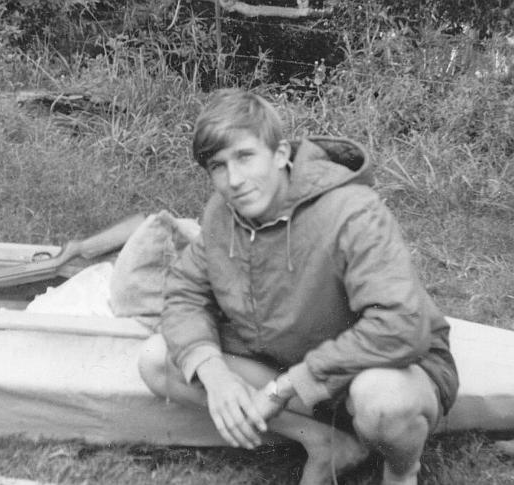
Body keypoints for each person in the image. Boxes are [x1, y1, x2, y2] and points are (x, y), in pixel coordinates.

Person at [138, 89, 458, 485]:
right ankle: (326, 443)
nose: (234, 180)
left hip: (374, 369)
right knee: (159, 360)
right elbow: (185, 292)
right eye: (218, 166)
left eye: (245, 156)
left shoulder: (353, 210)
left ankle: (401, 471)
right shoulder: (221, 214)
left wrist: (286, 386)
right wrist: (214, 373)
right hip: (286, 366)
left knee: (383, 401)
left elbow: (402, 325)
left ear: (280, 153)